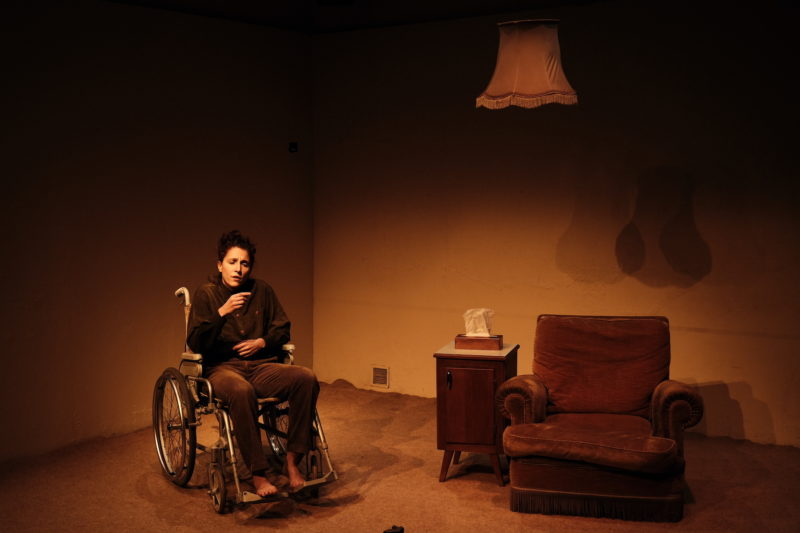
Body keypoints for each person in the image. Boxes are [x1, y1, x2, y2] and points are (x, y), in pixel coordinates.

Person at [187, 230, 319, 496]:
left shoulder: (262, 291)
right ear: (220, 265)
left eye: (244, 263)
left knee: (306, 378)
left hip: (261, 366)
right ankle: (258, 474)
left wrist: (262, 342)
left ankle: (292, 461)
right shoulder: (207, 294)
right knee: (241, 391)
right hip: (222, 369)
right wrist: (222, 312)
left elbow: (282, 328)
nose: (239, 269)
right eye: (233, 262)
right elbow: (196, 342)